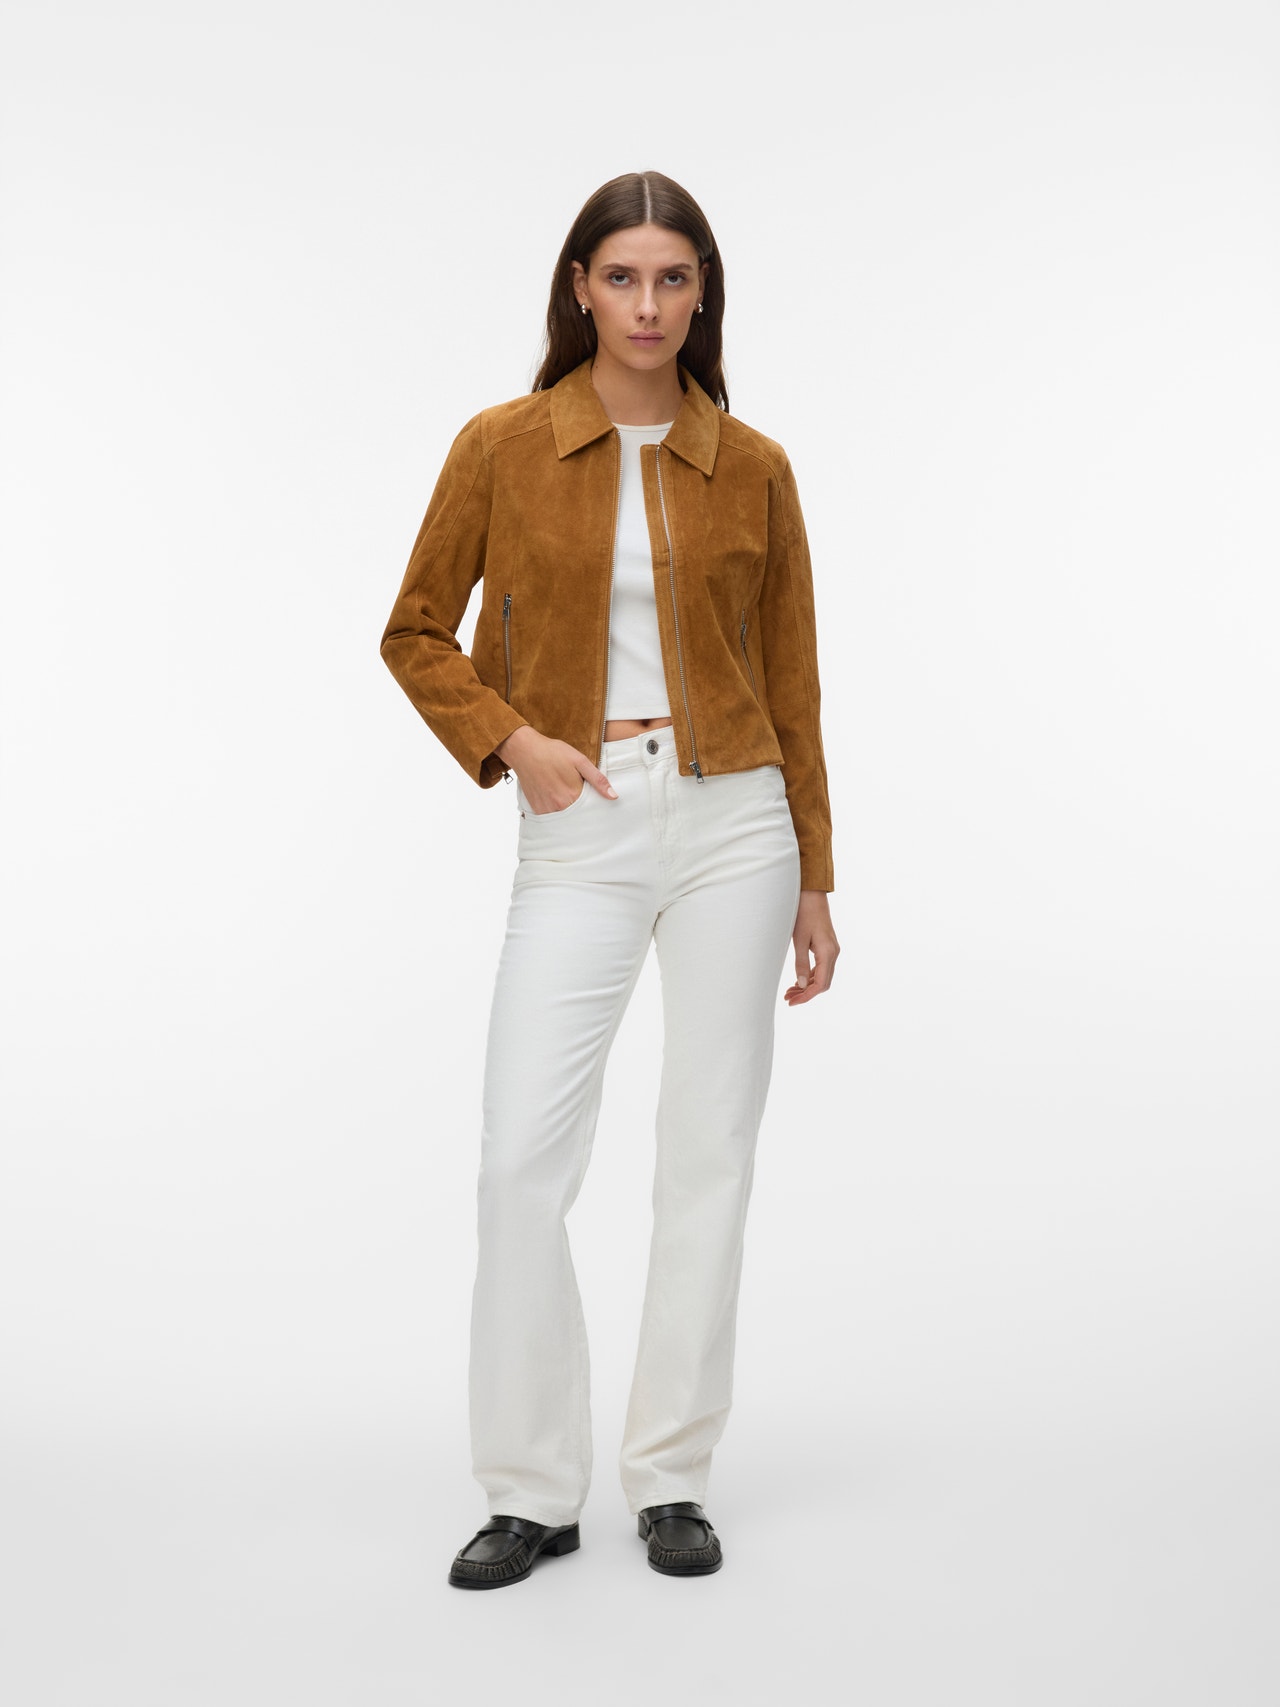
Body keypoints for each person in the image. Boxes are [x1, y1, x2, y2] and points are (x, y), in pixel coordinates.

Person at [379, 170, 839, 1588]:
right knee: (521, 1161)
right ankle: (530, 1488)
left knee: (709, 1155)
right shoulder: (502, 446)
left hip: (737, 826)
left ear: (703, 297)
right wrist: (512, 739)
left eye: (672, 279)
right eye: (623, 276)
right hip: (579, 822)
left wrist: (816, 878)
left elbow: (795, 685)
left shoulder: (752, 465)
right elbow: (414, 631)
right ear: (579, 286)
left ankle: (673, 1477)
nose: (647, 305)